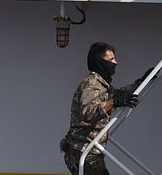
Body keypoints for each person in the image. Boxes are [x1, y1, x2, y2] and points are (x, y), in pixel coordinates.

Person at [61, 42, 150, 175]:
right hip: (81, 150)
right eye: (111, 59)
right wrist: (114, 102)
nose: (115, 62)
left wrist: (140, 82)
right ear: (100, 62)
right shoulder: (91, 84)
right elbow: (88, 112)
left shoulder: (103, 84)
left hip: (90, 150)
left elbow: (118, 94)